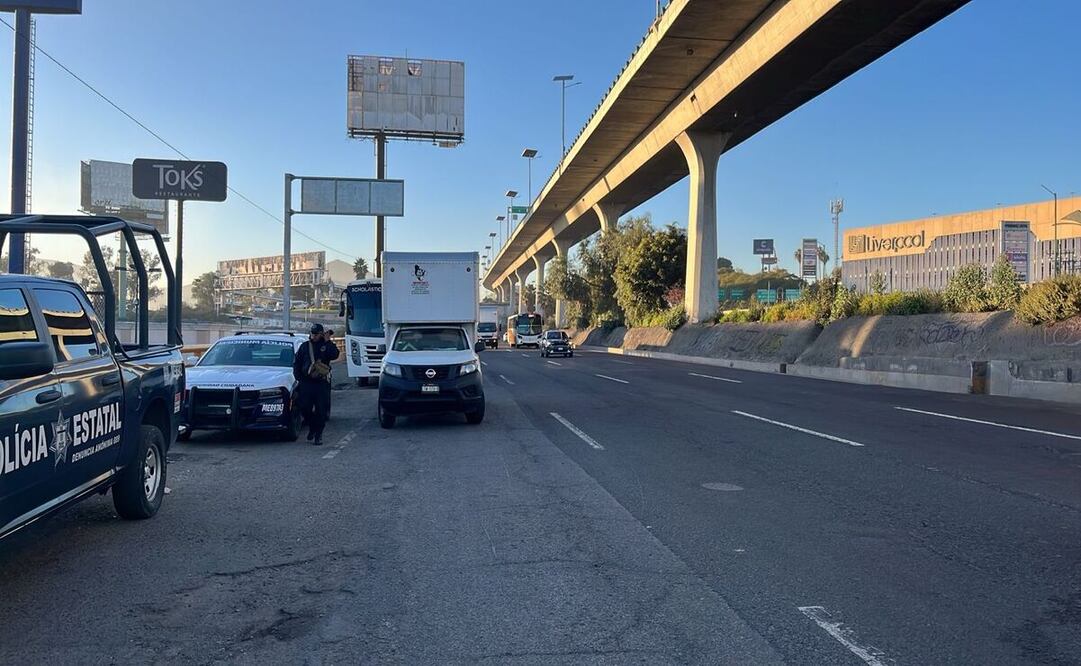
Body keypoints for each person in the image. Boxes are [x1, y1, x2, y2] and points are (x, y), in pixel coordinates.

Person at [292, 323, 340, 445]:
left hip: (321, 383)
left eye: (316, 334)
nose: (314, 336)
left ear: (321, 334)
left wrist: (328, 342)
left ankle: (318, 435)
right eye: (312, 334)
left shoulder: (325, 346)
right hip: (306, 383)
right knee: (304, 408)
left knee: (321, 411)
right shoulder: (304, 346)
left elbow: (335, 355)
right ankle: (313, 427)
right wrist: (299, 379)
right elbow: (297, 363)